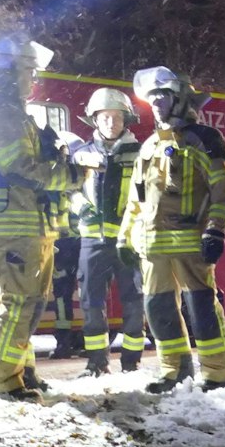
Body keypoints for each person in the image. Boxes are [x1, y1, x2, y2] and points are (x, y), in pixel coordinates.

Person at [0, 36, 72, 402]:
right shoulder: (1, 111)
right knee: (20, 301)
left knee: (23, 300)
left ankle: (20, 372)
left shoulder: (4, 108)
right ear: (10, 73)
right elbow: (21, 168)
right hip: (16, 219)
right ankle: (3, 381)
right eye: (28, 71)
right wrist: (69, 174)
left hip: (21, 220)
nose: (33, 79)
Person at [121, 67, 225, 392]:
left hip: (192, 244)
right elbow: (136, 199)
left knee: (201, 308)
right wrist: (124, 237)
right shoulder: (148, 147)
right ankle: (174, 371)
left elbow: (224, 193)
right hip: (152, 248)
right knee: (158, 311)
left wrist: (215, 230)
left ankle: (217, 374)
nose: (156, 103)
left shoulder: (205, 140)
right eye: (152, 98)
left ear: (180, 99)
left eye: (163, 96)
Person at [67, 87, 147, 375]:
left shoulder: (140, 154)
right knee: (90, 301)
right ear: (94, 120)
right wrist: (80, 207)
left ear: (126, 120)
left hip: (129, 241)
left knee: (134, 300)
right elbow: (70, 191)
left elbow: (148, 196)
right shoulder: (80, 155)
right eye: (104, 117)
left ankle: (132, 363)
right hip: (92, 240)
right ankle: (97, 363)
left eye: (116, 117)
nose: (110, 122)